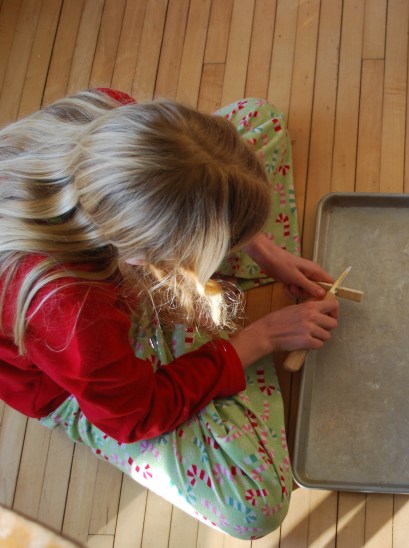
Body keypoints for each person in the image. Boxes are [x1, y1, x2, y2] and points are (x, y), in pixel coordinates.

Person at [0, 89, 340, 539]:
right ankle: (205, 351)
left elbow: (187, 186)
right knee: (254, 504)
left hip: (105, 297)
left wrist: (264, 250)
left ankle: (209, 313)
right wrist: (262, 339)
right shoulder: (71, 309)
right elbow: (135, 416)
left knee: (260, 120)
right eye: (216, 251)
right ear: (151, 263)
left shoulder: (107, 113)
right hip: (73, 378)